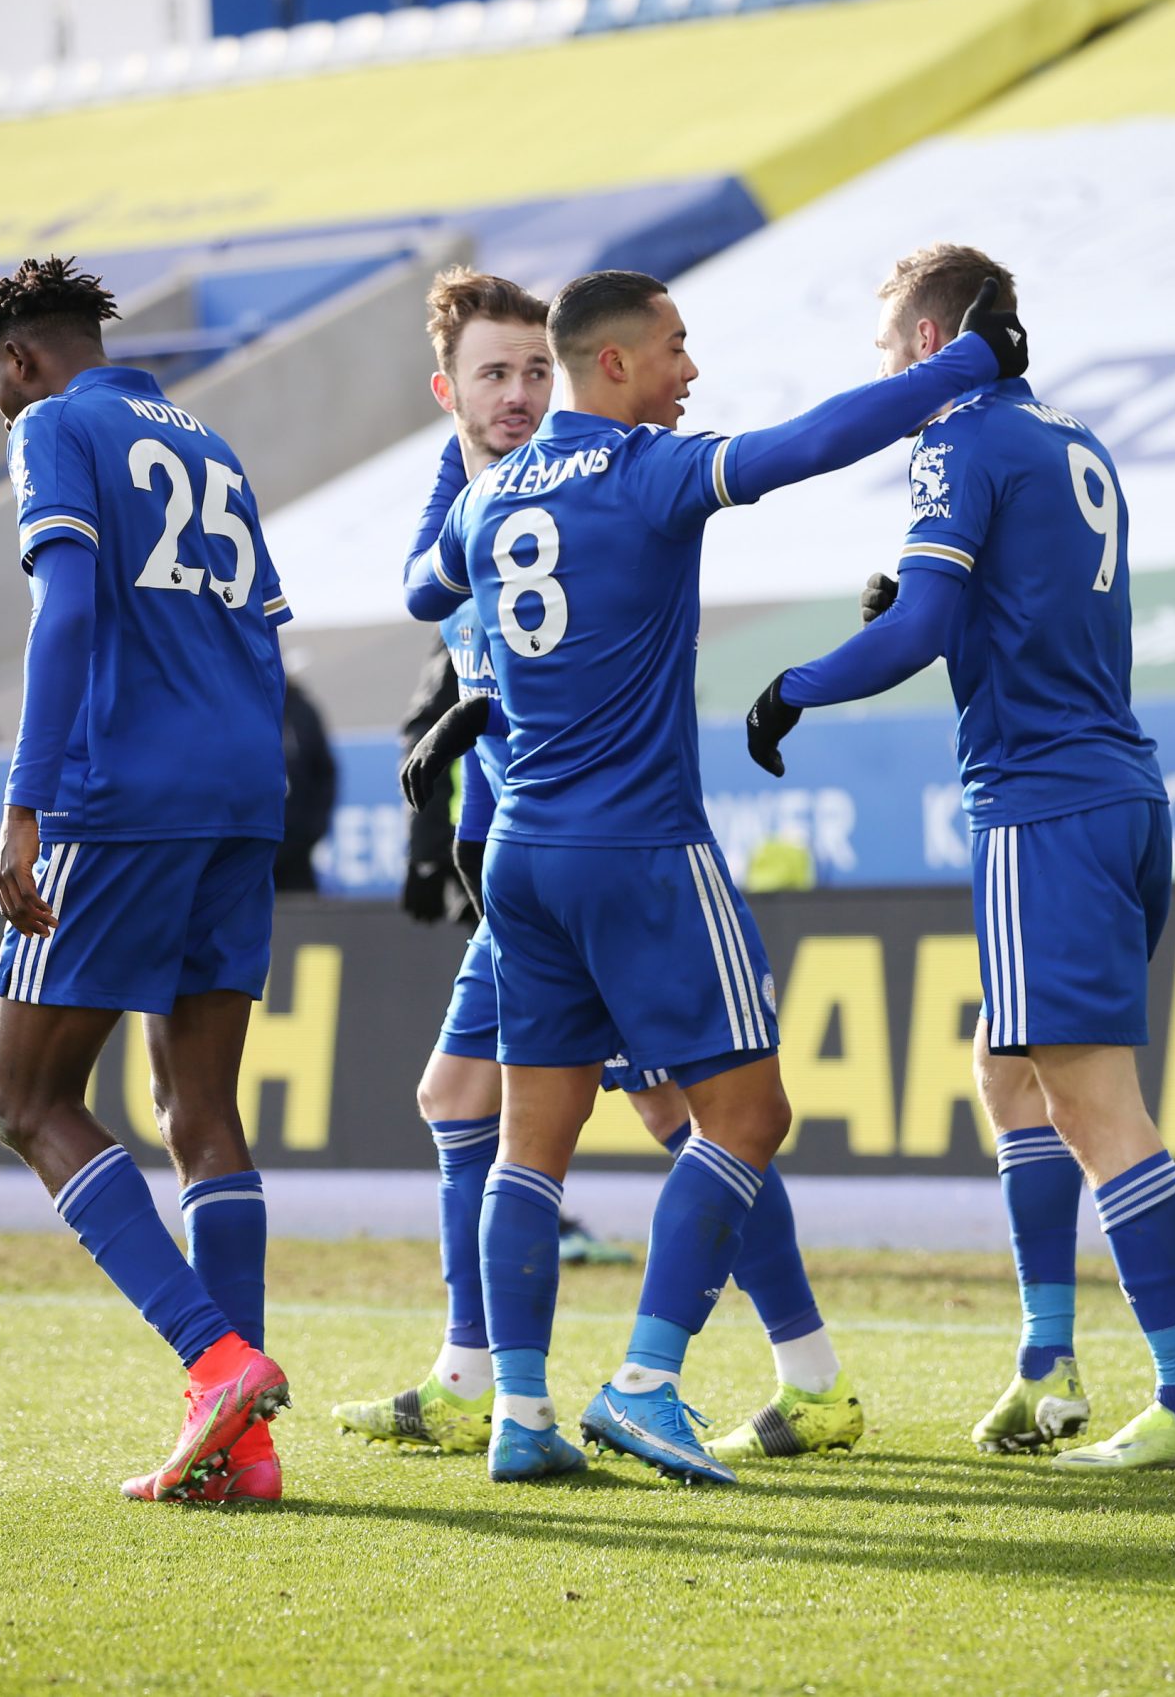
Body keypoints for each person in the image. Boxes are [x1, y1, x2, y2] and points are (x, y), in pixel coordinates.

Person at [402, 265, 1021, 1485]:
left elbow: (432, 586)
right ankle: (643, 1380)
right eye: (676, 349)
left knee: (534, 1145)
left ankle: (518, 1414)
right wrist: (967, 364)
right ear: (617, 364)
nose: (692, 373)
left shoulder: (484, 505)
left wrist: (478, 690)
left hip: (520, 858)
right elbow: (816, 442)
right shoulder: (650, 475)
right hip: (639, 851)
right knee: (746, 1115)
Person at [335, 268, 862, 1468]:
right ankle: (491, 1379)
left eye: (534, 369)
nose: (520, 395)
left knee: (677, 1118)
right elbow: (447, 611)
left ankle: (784, 1372)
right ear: (449, 391)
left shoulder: (527, 497)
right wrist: (467, 721)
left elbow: (449, 600)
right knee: (492, 1104)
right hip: (545, 857)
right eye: (494, 375)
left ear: (569, 368)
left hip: (555, 850)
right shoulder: (493, 494)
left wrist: (474, 722)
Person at [746, 244, 1175, 1473]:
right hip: (1116, 789)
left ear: (925, 344)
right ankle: (1045, 1365)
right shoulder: (1073, 441)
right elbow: (1011, 607)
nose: (885, 373)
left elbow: (920, 629)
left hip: (1042, 805)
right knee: (1009, 1070)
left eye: (884, 352)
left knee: (1090, 1101)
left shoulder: (955, 439)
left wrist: (794, 686)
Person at [0, 256, 294, 1505]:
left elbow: (69, 611)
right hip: (240, 794)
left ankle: (215, 1362)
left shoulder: (54, 424)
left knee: (28, 1100)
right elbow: (261, 630)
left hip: (121, 798)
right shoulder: (211, 443)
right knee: (198, 1110)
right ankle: (247, 1452)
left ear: (24, 358)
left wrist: (26, 805)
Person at [274, 671, 335, 893]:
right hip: (245, 850)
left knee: (301, 922)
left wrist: (312, 831)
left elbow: (324, 774)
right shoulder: (234, 706)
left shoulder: (300, 709)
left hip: (296, 852)